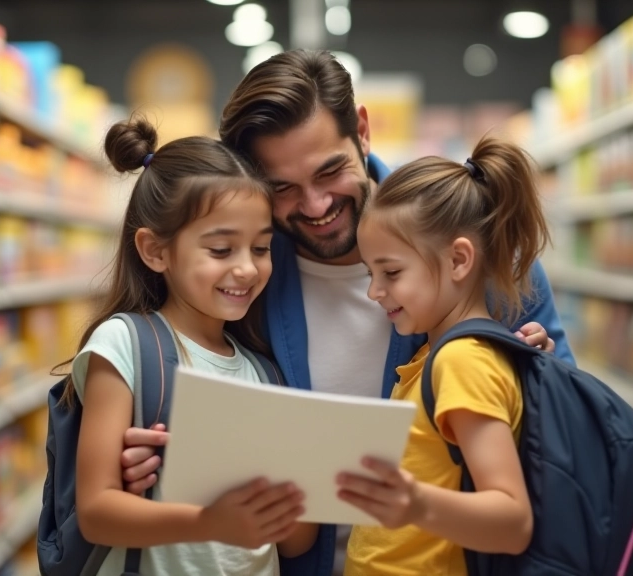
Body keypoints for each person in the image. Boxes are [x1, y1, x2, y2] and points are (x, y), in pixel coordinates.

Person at [118, 49, 575, 576]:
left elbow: (561, 446)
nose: (314, 206)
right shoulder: (243, 278)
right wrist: (154, 461)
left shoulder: (478, 253)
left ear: (361, 129)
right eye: (282, 188)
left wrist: (534, 382)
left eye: (330, 171)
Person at [67, 117, 318, 576]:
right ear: (155, 250)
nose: (246, 269)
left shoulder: (263, 371)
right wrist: (210, 521)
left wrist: (297, 478)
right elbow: (97, 513)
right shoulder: (125, 344)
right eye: (221, 250)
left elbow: (298, 541)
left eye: (261, 249)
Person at [336, 136, 543, 575]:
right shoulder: (441, 354)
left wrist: (415, 502)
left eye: (391, 272)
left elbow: (512, 521)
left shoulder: (461, 362)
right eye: (371, 273)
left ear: (459, 259)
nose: (375, 291)